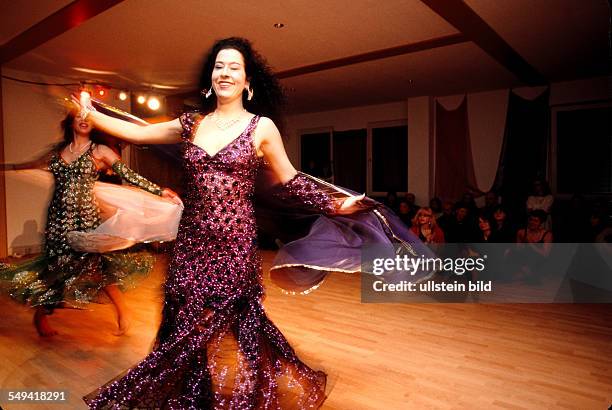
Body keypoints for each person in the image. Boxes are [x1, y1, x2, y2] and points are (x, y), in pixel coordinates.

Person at [78, 37, 366, 409]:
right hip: (192, 241)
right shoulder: (190, 123)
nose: (225, 72)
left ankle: (257, 395)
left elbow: (289, 180)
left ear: (247, 82)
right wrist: (92, 113)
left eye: (234, 67)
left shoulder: (261, 127)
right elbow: (139, 132)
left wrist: (332, 203)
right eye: (218, 66)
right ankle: (191, 397)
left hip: (235, 244)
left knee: (242, 323)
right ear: (210, 78)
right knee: (183, 322)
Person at [1, 112, 180, 337]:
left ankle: (123, 312)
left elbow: (129, 175)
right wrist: (8, 167)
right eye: (79, 116)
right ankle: (41, 316)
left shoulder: (99, 150)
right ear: (71, 123)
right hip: (57, 220)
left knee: (97, 267)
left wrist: (159, 190)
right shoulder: (57, 151)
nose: (84, 119)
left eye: (88, 116)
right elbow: (32, 164)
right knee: (56, 270)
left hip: (86, 219)